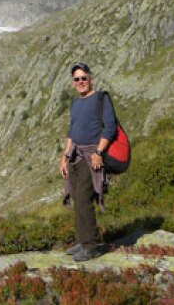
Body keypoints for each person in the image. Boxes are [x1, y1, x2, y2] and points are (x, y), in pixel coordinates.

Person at [59, 62, 117, 261]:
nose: (81, 82)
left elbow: (110, 127)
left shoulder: (101, 98)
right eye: (77, 79)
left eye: (84, 78)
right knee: (77, 198)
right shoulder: (75, 103)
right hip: (75, 156)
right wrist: (65, 157)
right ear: (73, 82)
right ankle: (83, 241)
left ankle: (91, 246)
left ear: (90, 78)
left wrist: (99, 152)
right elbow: (71, 131)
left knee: (84, 198)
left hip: (91, 155)